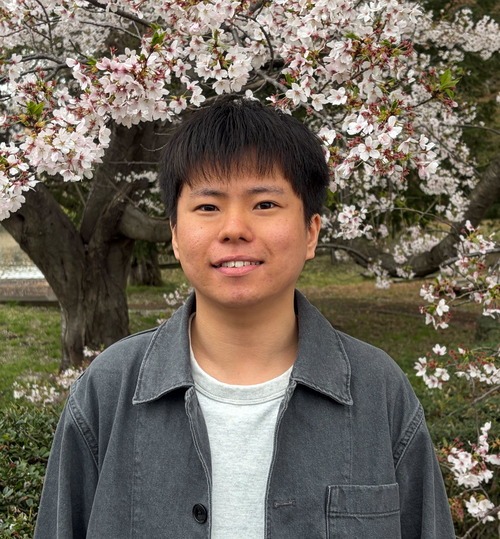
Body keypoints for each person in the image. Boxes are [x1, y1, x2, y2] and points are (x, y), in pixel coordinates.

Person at [34, 96, 455, 538]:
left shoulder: (378, 389)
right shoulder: (108, 389)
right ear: (175, 235)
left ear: (311, 232)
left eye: (265, 204)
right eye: (208, 207)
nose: (234, 228)